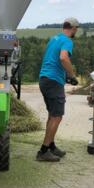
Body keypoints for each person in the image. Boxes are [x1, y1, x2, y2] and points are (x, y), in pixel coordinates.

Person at [36, 17, 79, 162]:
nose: (76, 31)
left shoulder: (54, 39)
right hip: (53, 81)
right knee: (57, 116)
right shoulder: (67, 41)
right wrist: (71, 75)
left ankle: (51, 145)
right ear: (73, 28)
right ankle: (43, 151)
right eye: (76, 29)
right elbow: (63, 58)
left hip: (45, 79)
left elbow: (52, 59)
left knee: (52, 114)